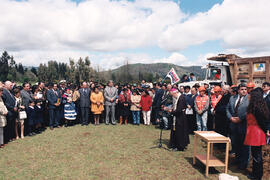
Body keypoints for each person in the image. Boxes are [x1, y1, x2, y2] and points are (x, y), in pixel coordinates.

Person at [244, 88, 270, 180]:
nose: (249, 96)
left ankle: (258, 175)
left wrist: (266, 131)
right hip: (254, 131)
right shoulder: (255, 106)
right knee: (255, 154)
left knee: (257, 155)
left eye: (250, 95)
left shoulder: (256, 108)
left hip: (256, 132)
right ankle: (255, 173)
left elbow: (262, 122)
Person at [226, 84, 249, 170]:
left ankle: (244, 164)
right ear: (238, 90)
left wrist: (240, 118)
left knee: (244, 145)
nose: (244, 91)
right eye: (242, 89)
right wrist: (231, 118)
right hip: (233, 124)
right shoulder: (232, 98)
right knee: (236, 143)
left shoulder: (249, 99)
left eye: (245, 89)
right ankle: (237, 159)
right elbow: (227, 109)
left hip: (243, 125)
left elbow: (249, 111)